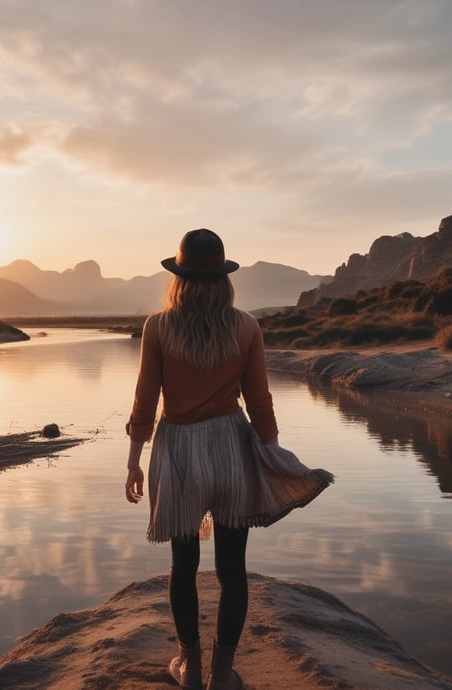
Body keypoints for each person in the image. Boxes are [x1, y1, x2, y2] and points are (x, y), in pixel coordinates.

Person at [125, 229, 333, 690]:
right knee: (232, 568)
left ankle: (190, 667)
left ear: (178, 277)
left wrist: (134, 458)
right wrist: (273, 452)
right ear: (224, 277)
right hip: (231, 449)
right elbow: (260, 403)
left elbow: (145, 400)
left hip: (177, 449)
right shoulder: (245, 327)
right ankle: (222, 672)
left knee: (184, 565)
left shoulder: (158, 326)